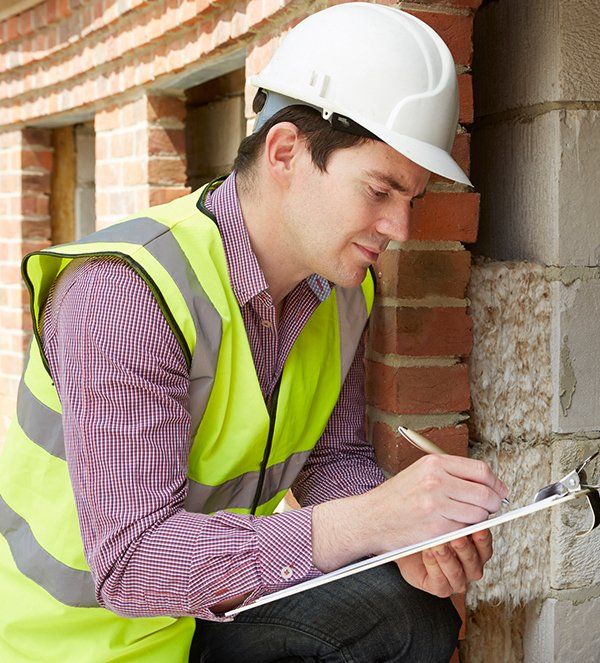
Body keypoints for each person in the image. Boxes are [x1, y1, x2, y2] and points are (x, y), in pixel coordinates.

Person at [0, 4, 508, 662]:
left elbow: (329, 460)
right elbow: (132, 564)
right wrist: (371, 520)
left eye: (410, 199)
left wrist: (406, 534)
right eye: (380, 190)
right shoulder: (125, 294)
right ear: (286, 152)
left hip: (204, 618)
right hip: (73, 644)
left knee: (411, 614)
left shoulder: (343, 293)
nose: (400, 228)